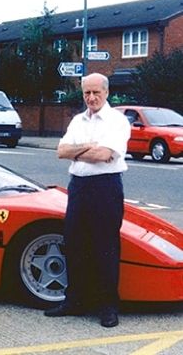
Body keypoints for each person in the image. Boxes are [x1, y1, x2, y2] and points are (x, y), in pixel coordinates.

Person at [44, 73, 131, 328]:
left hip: (105, 187)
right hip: (79, 187)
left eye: (96, 93)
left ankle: (107, 308)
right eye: (86, 93)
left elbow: (105, 154)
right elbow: (61, 151)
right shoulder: (77, 120)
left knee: (106, 247)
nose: (91, 98)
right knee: (75, 245)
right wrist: (86, 148)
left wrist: (77, 150)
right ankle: (75, 302)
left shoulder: (117, 121)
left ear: (106, 92)